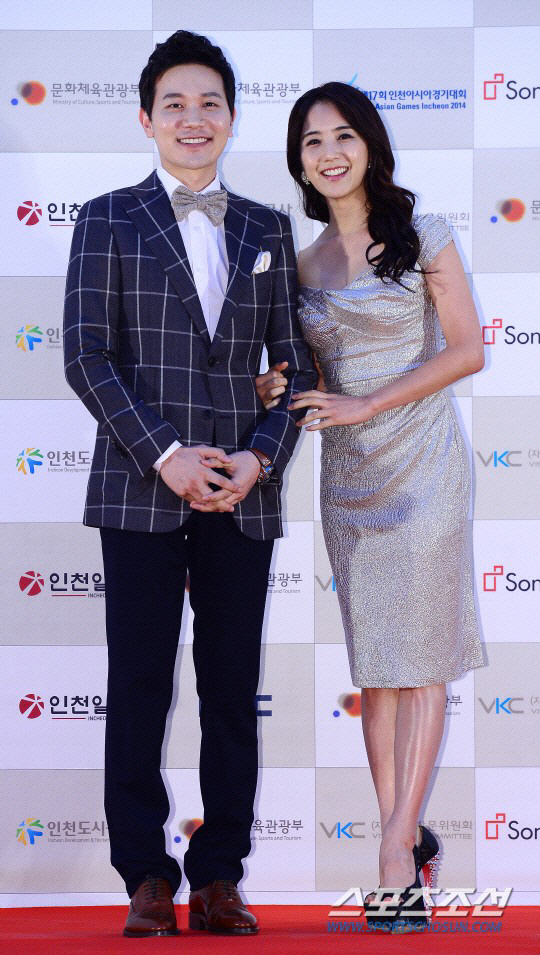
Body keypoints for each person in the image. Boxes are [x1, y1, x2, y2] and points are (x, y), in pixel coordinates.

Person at [63, 30, 316, 939]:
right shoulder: (106, 218)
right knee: (138, 683)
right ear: (146, 119)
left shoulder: (267, 228)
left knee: (230, 690)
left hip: (241, 494)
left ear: (232, 117)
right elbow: (86, 357)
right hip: (140, 485)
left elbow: (296, 367)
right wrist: (165, 452)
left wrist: (259, 458)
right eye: (175, 103)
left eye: (210, 102)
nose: (193, 117)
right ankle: (145, 875)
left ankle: (218, 877)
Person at [257, 81, 485, 932]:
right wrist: (277, 384)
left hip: (423, 463)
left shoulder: (424, 234)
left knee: (420, 660)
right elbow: (306, 372)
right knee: (379, 665)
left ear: (370, 145)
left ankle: (393, 853)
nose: (329, 153)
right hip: (350, 479)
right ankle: (404, 834)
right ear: (300, 162)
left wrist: (369, 403)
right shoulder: (301, 262)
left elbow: (468, 349)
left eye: (343, 135)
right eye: (312, 141)